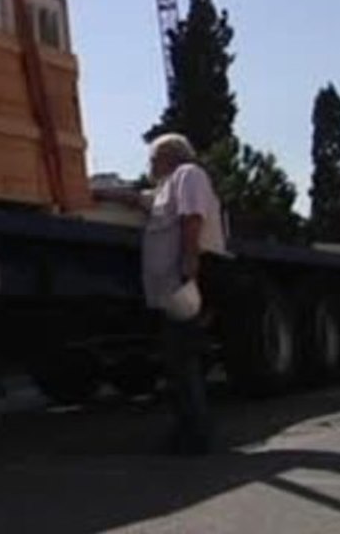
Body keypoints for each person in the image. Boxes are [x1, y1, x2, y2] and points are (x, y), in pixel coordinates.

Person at [103, 132, 228, 456]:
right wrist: (98, 192)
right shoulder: (165, 190)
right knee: (177, 360)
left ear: (168, 157)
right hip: (176, 284)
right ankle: (188, 429)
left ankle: (194, 435)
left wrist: (188, 266)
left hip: (187, 278)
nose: (149, 164)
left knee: (182, 359)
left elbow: (191, 219)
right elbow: (138, 200)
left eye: (152, 158)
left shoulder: (188, 175)